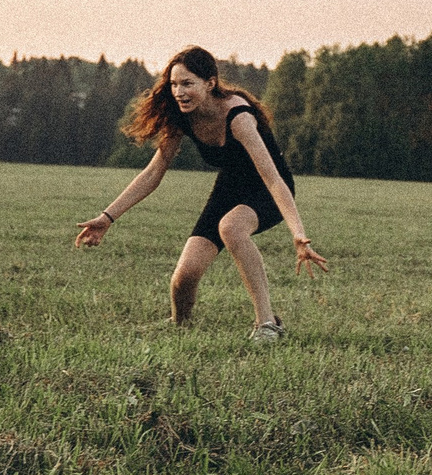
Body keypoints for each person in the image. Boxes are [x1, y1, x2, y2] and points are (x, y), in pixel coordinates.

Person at [74, 46, 329, 338]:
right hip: (230, 187)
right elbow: (153, 172)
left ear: (210, 83)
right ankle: (179, 326)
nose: (179, 92)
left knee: (231, 228)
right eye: (173, 84)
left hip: (266, 189)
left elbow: (273, 179)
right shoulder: (182, 116)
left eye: (187, 83)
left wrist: (298, 235)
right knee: (184, 278)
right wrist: (108, 217)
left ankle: (267, 324)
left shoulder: (238, 116)